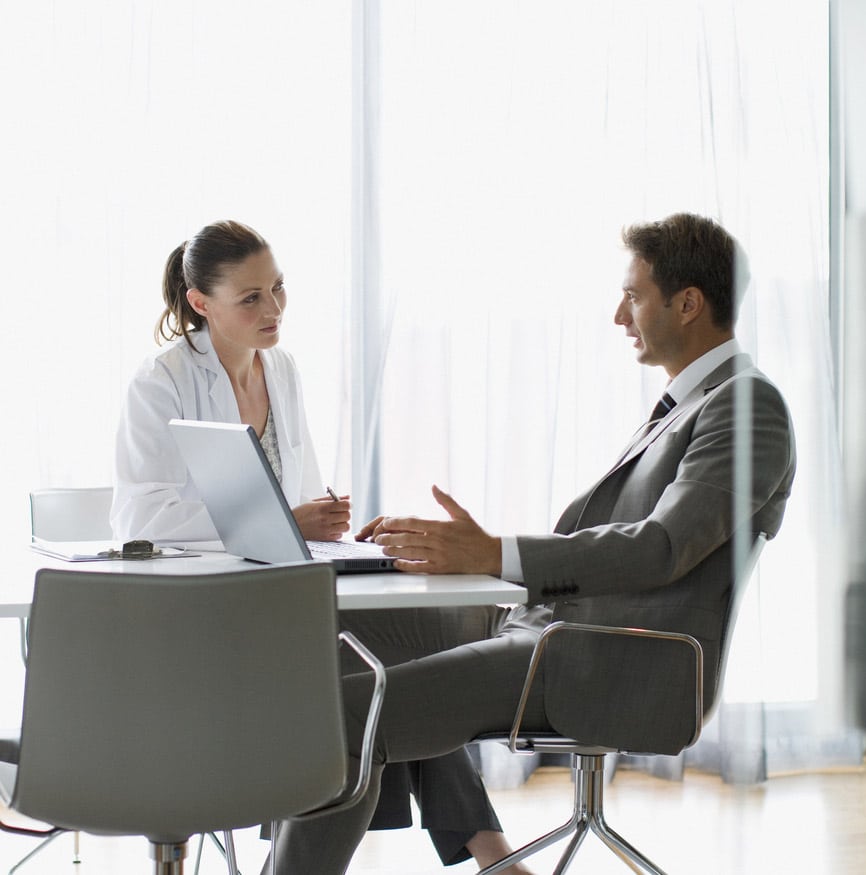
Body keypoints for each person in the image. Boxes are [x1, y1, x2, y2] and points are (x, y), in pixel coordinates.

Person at [264, 212, 797, 873]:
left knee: (341, 719)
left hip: (612, 661)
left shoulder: (746, 407)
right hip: (554, 631)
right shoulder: (690, 402)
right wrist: (452, 553)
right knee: (345, 633)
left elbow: (660, 546)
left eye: (631, 295)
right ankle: (491, 855)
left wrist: (492, 554)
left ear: (687, 304)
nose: (616, 315)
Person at [110, 219, 527, 871]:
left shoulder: (281, 369)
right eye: (250, 298)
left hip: (291, 598)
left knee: (423, 655)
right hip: (206, 618)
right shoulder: (161, 380)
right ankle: (487, 853)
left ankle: (477, 852)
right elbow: (142, 516)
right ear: (200, 302)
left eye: (278, 289)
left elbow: (294, 503)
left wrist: (332, 523)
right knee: (394, 672)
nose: (273, 309)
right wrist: (286, 517)